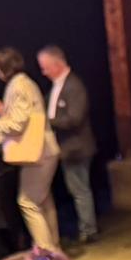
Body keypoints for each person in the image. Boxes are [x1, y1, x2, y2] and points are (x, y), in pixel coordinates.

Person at [0, 47, 61, 251]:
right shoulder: (24, 82)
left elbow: (17, 125)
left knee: (28, 202)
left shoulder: (18, 86)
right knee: (43, 200)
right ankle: (54, 249)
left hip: (39, 152)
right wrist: (3, 111)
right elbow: (24, 116)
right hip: (44, 150)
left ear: (1, 69)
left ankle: (46, 253)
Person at [38, 44, 99, 245]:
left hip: (77, 147)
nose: (43, 72)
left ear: (57, 65)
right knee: (76, 188)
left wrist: (47, 121)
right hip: (66, 147)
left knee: (80, 189)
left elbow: (74, 118)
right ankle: (85, 227)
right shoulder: (57, 86)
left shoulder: (74, 86)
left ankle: (88, 230)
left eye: (45, 67)